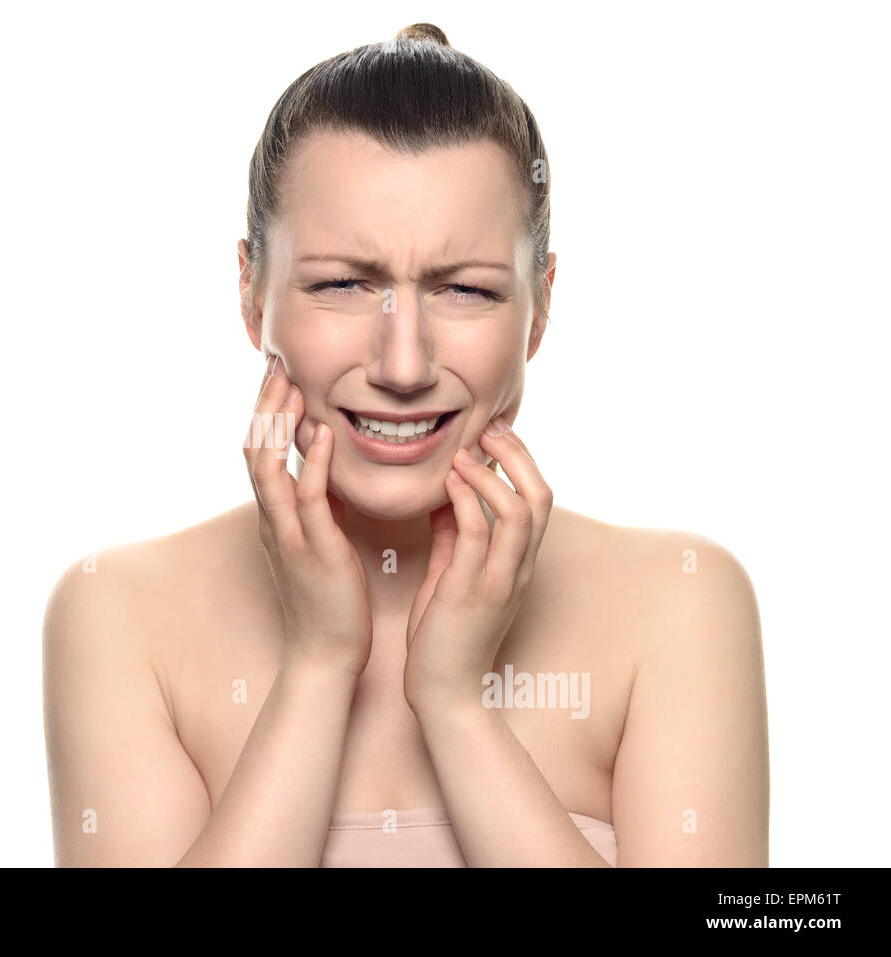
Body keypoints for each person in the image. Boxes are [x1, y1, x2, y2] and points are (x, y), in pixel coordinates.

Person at [43, 22, 769, 867]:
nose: (403, 363)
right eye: (343, 284)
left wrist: (455, 703)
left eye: (464, 289)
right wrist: (318, 666)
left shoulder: (680, 603)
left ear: (540, 306)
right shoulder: (117, 614)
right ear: (251, 294)